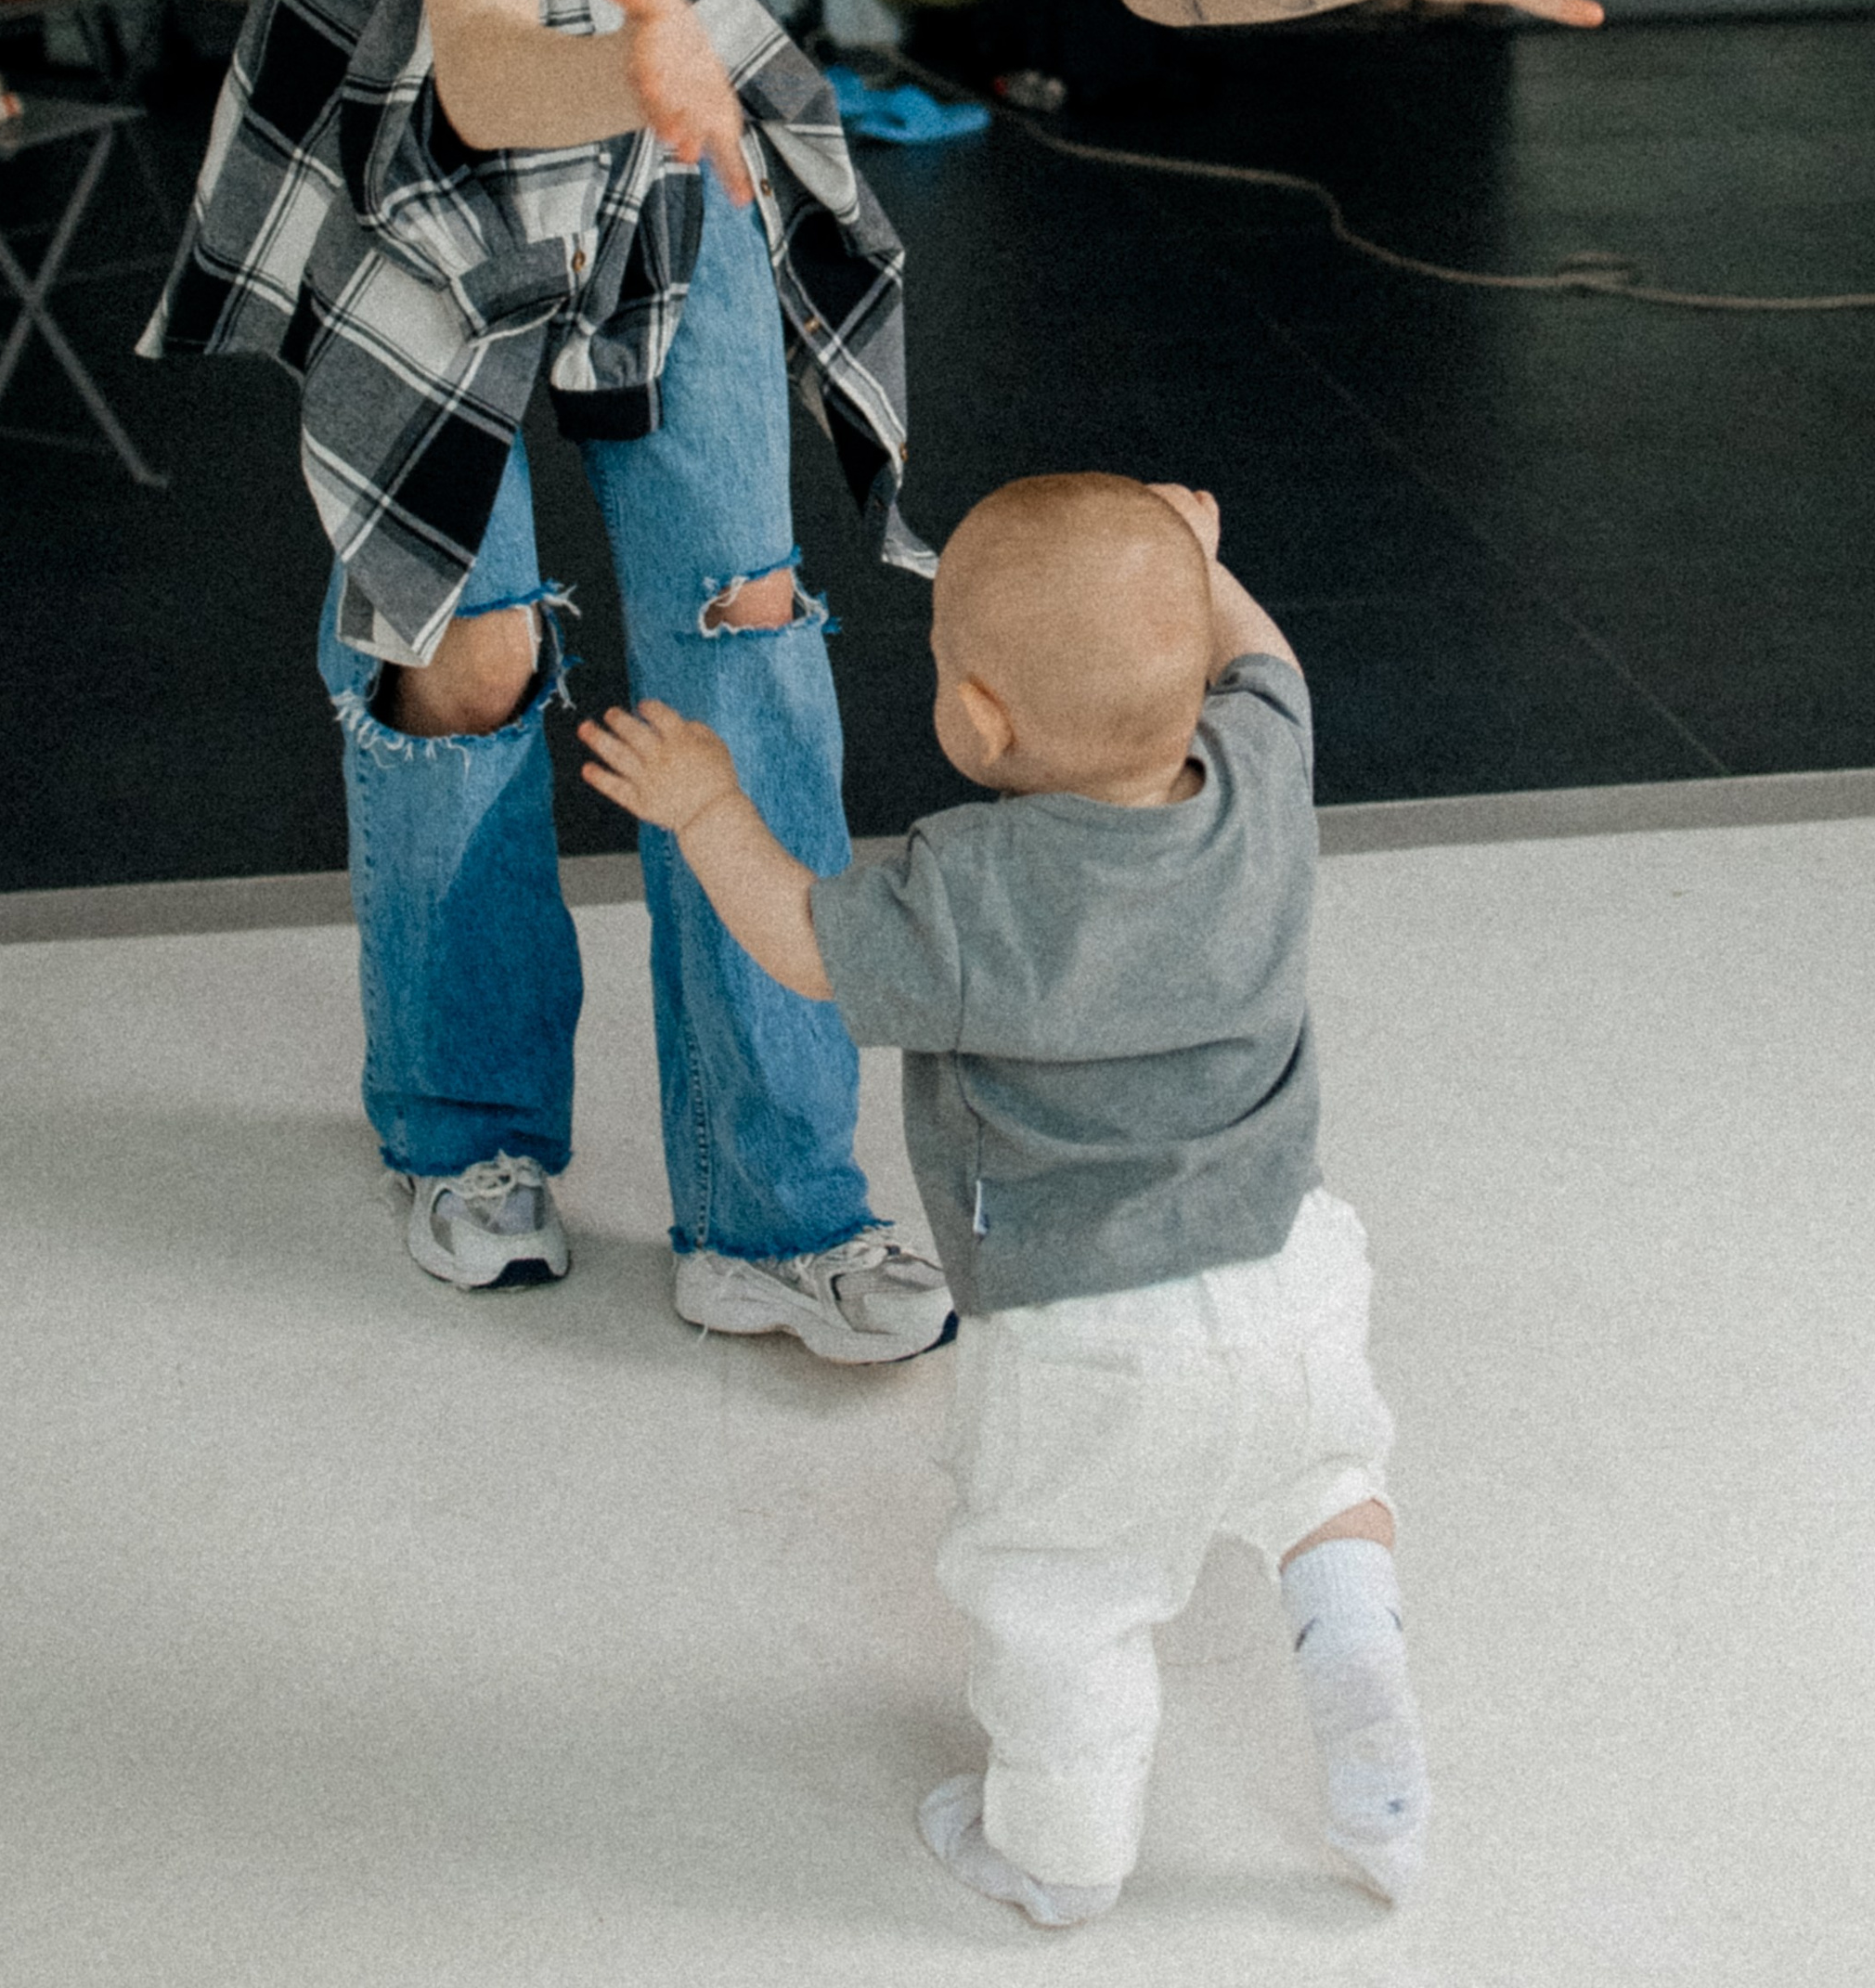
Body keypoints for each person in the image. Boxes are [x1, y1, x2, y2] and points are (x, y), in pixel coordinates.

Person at [142, 0, 1678, 1366]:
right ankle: (462, 1119)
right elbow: (488, 60)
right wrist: (649, 85)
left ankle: (774, 1208)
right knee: (457, 652)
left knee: (744, 616)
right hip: (426, 59)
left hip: (664, 50)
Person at [577, 470, 1421, 1922]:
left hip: (1092, 1345)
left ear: (977, 721)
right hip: (1296, 1279)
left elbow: (800, 947)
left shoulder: (968, 893)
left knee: (1065, 1601)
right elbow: (1266, 654)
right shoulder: (1265, 774)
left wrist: (707, 806)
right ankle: (1355, 1670)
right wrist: (1195, 562)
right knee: (1326, 1478)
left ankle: (1059, 1853)